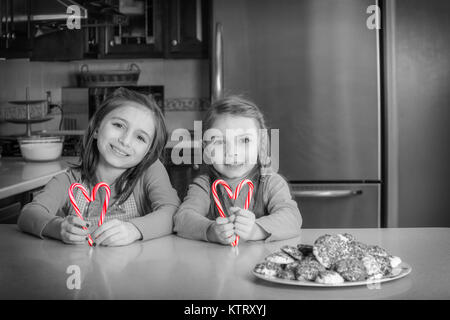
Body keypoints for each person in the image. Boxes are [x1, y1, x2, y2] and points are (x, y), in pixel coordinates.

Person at [18, 88, 180, 246]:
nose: (125, 141)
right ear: (96, 128)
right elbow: (28, 214)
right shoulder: (69, 181)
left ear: (148, 152)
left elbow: (172, 212)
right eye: (118, 125)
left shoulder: (149, 172)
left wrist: (134, 229)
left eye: (140, 137)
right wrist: (59, 227)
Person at [173, 96, 302, 245]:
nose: (232, 152)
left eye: (245, 140)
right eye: (219, 142)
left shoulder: (270, 182)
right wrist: (210, 230)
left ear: (261, 145)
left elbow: (292, 217)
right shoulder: (204, 185)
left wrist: (256, 230)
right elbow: (182, 218)